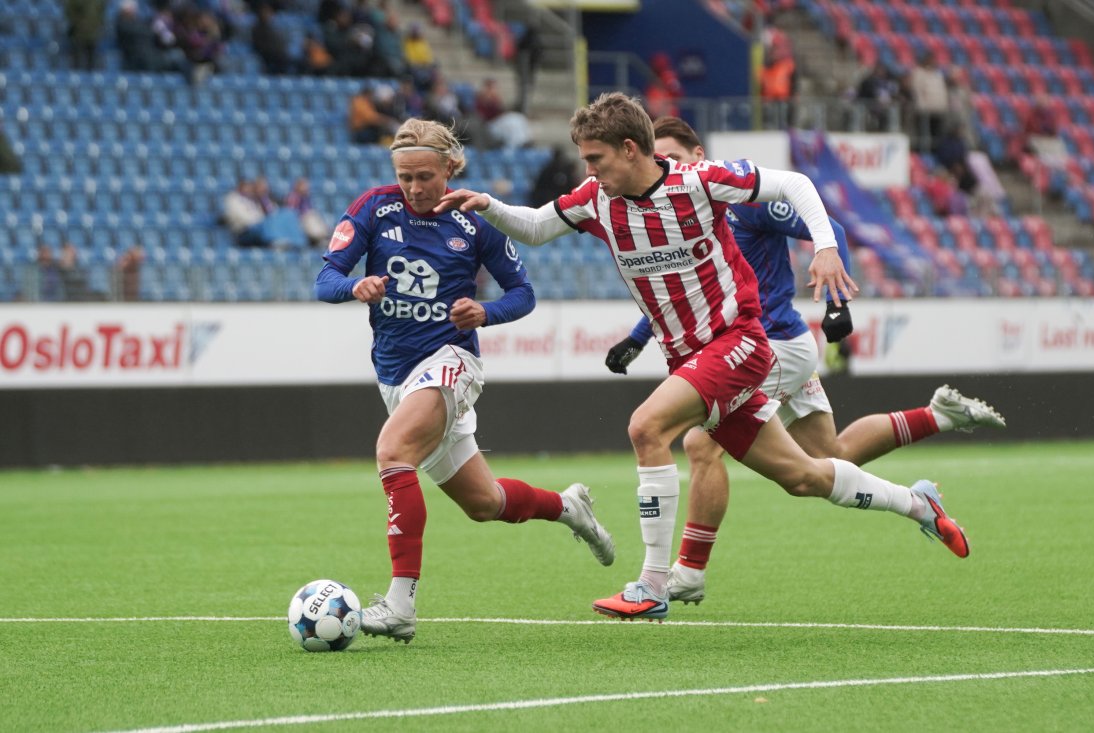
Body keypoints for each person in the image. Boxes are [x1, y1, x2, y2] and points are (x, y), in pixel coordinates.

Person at [436, 92, 972, 623]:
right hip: (689, 357)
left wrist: (826, 247)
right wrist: (489, 206)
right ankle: (917, 504)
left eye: (594, 158)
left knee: (647, 426)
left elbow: (797, 184)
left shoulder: (700, 181)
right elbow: (534, 226)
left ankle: (652, 584)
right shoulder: (596, 200)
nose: (588, 169)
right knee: (803, 475)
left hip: (737, 342)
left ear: (629, 149)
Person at [604, 117, 1006, 604]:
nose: (665, 165)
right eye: (657, 157)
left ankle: (687, 571)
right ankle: (937, 419)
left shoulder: (738, 201)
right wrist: (639, 335)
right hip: (755, 349)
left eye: (673, 155)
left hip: (768, 347)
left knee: (700, 441)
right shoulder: (672, 213)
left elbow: (828, 226)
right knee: (825, 459)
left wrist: (838, 303)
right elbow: (685, 294)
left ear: (697, 153)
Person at [313, 118, 615, 643]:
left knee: (392, 450)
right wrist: (353, 285)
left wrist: (485, 312)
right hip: (396, 375)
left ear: (450, 169)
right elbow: (325, 279)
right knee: (486, 504)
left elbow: (523, 292)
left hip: (452, 360)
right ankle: (569, 508)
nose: (413, 188)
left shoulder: (475, 221)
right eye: (405, 177)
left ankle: (401, 603)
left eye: (424, 176)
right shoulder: (372, 207)